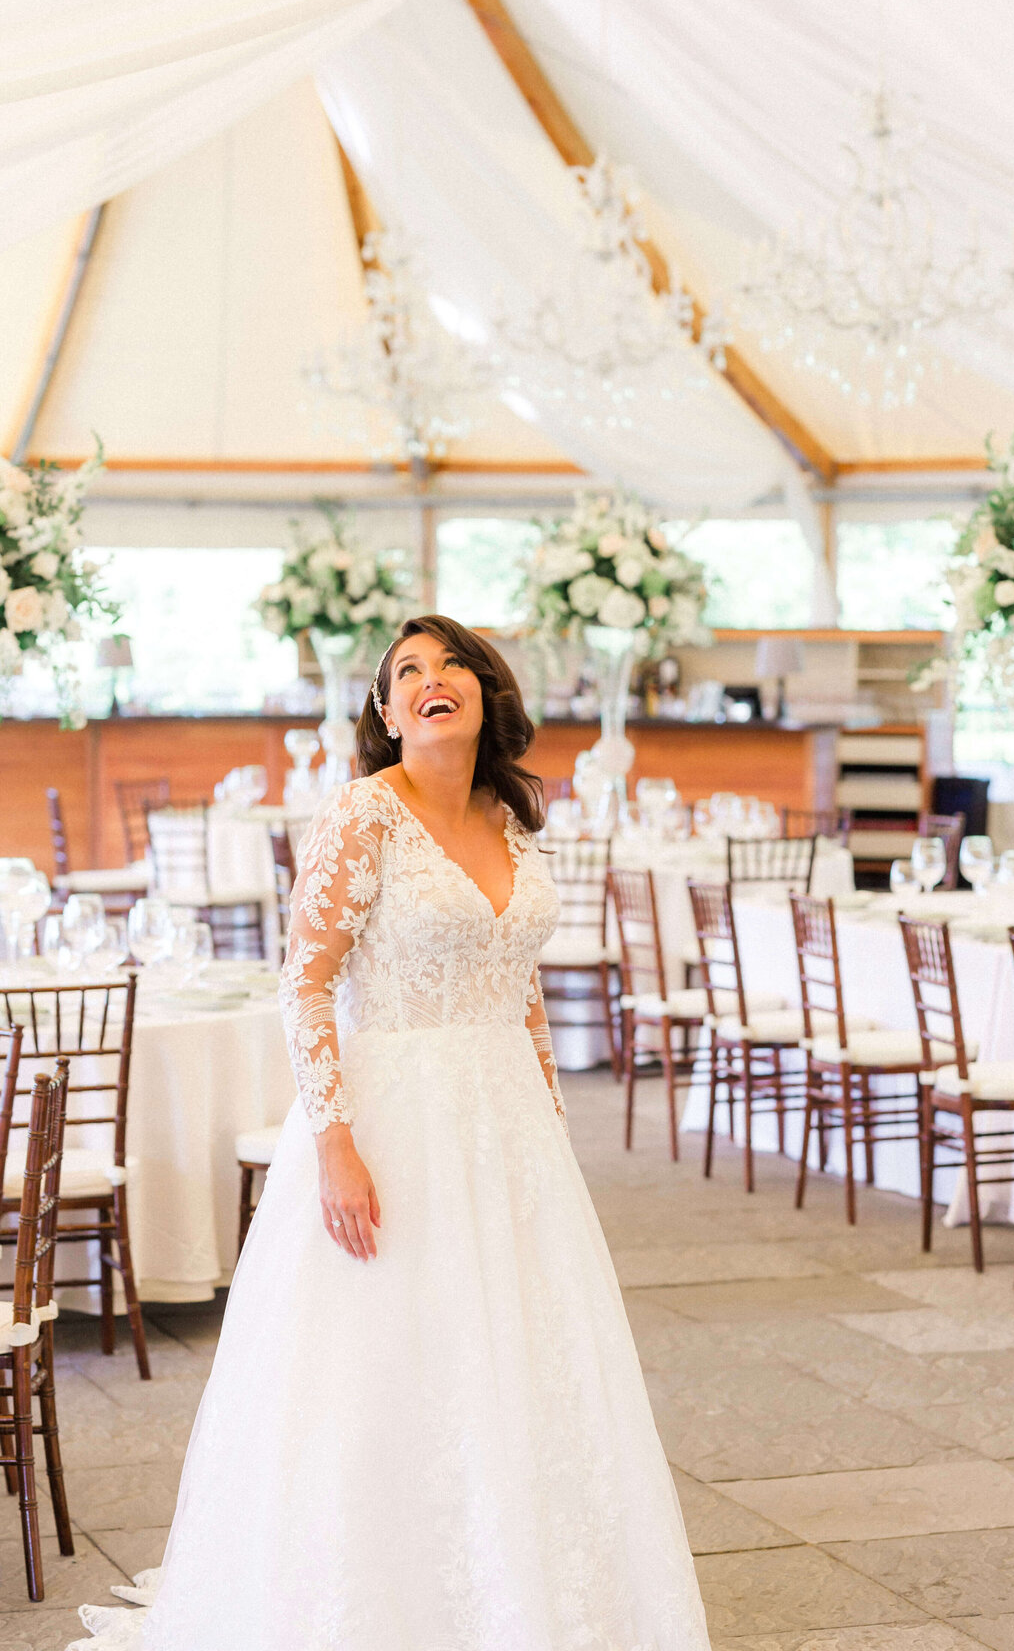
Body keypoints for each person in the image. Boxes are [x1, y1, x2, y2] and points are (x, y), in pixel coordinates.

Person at [72, 615, 710, 1650]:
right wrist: (333, 1142)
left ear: (483, 691)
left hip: (505, 1124)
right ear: (385, 714)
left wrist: (547, 1109)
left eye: (448, 661)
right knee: (392, 1364)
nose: (429, 679)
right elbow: (306, 983)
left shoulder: (509, 818)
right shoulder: (365, 815)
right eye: (405, 673)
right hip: (394, 1115)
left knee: (520, 1355)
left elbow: (522, 985)